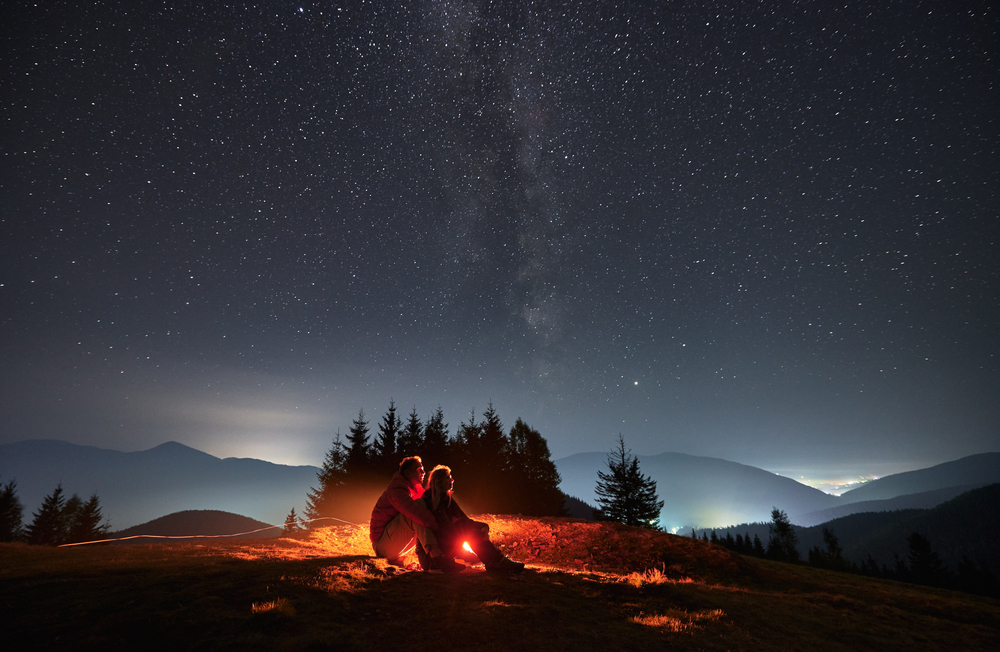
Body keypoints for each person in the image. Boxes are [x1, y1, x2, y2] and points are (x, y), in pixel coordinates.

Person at [415, 464, 525, 574]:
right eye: (448, 477)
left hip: (445, 549)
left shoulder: (446, 499)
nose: (452, 480)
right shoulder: (430, 500)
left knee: (463, 525)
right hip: (431, 558)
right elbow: (444, 529)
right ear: (439, 481)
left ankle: (494, 561)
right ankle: (496, 561)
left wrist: (482, 526)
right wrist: (474, 532)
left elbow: (465, 519)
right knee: (461, 527)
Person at [369, 456, 439, 565]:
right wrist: (438, 526)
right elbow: (415, 513)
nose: (423, 472)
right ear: (407, 473)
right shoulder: (396, 489)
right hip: (382, 547)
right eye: (419, 470)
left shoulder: (416, 491)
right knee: (418, 511)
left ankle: (443, 556)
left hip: (392, 542)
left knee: (424, 510)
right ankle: (436, 558)